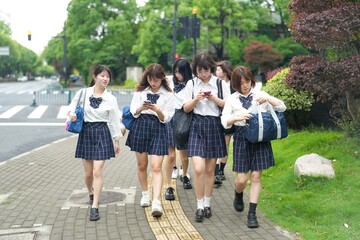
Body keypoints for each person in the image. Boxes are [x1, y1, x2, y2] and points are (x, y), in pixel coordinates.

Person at [220, 66, 286, 228]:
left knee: (256, 176)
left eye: (247, 82)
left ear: (251, 81)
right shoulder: (232, 99)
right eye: (241, 83)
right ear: (235, 84)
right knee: (241, 180)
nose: (245, 85)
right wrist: (237, 118)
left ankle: (252, 214)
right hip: (242, 137)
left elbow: (282, 107)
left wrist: (269, 100)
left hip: (260, 137)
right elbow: (224, 121)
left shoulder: (260, 94)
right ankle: (238, 193)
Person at [67, 64, 123, 221]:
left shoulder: (111, 98)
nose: (105, 79)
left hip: (102, 133)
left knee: (98, 171)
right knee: (88, 174)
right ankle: (91, 192)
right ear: (95, 77)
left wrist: (116, 140)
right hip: (86, 132)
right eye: (102, 75)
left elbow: (113, 121)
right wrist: (71, 114)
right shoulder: (83, 93)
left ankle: (95, 206)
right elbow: (71, 107)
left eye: (107, 76)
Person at [182, 52, 230, 222]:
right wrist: (197, 99)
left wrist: (213, 98)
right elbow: (186, 108)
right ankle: (199, 206)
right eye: (200, 70)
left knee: (210, 170)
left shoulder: (219, 83)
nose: (203, 74)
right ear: (195, 69)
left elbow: (227, 104)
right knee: (198, 169)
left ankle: (207, 204)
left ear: (211, 68)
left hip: (214, 125)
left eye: (206, 70)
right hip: (196, 125)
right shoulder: (191, 83)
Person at [125, 63, 175, 217]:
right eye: (151, 79)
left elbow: (167, 118)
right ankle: (145, 193)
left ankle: (156, 201)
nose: (153, 83)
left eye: (157, 80)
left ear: (162, 79)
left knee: (156, 166)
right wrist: (141, 108)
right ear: (147, 78)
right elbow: (133, 111)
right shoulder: (140, 91)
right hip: (141, 126)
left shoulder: (168, 94)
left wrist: (158, 110)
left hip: (158, 128)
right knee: (142, 165)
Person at [165, 58, 193, 197]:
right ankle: (169, 186)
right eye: (175, 72)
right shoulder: (169, 81)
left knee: (184, 155)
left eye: (180, 72)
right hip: (170, 118)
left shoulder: (191, 84)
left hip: (184, 118)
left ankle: (185, 175)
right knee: (171, 156)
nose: (177, 75)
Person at [214, 60, 234, 185]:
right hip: (217, 116)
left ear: (225, 71)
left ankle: (220, 170)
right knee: (218, 143)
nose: (216, 72)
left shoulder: (233, 84)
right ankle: (216, 171)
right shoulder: (215, 84)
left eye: (218, 70)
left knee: (226, 144)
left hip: (229, 117)